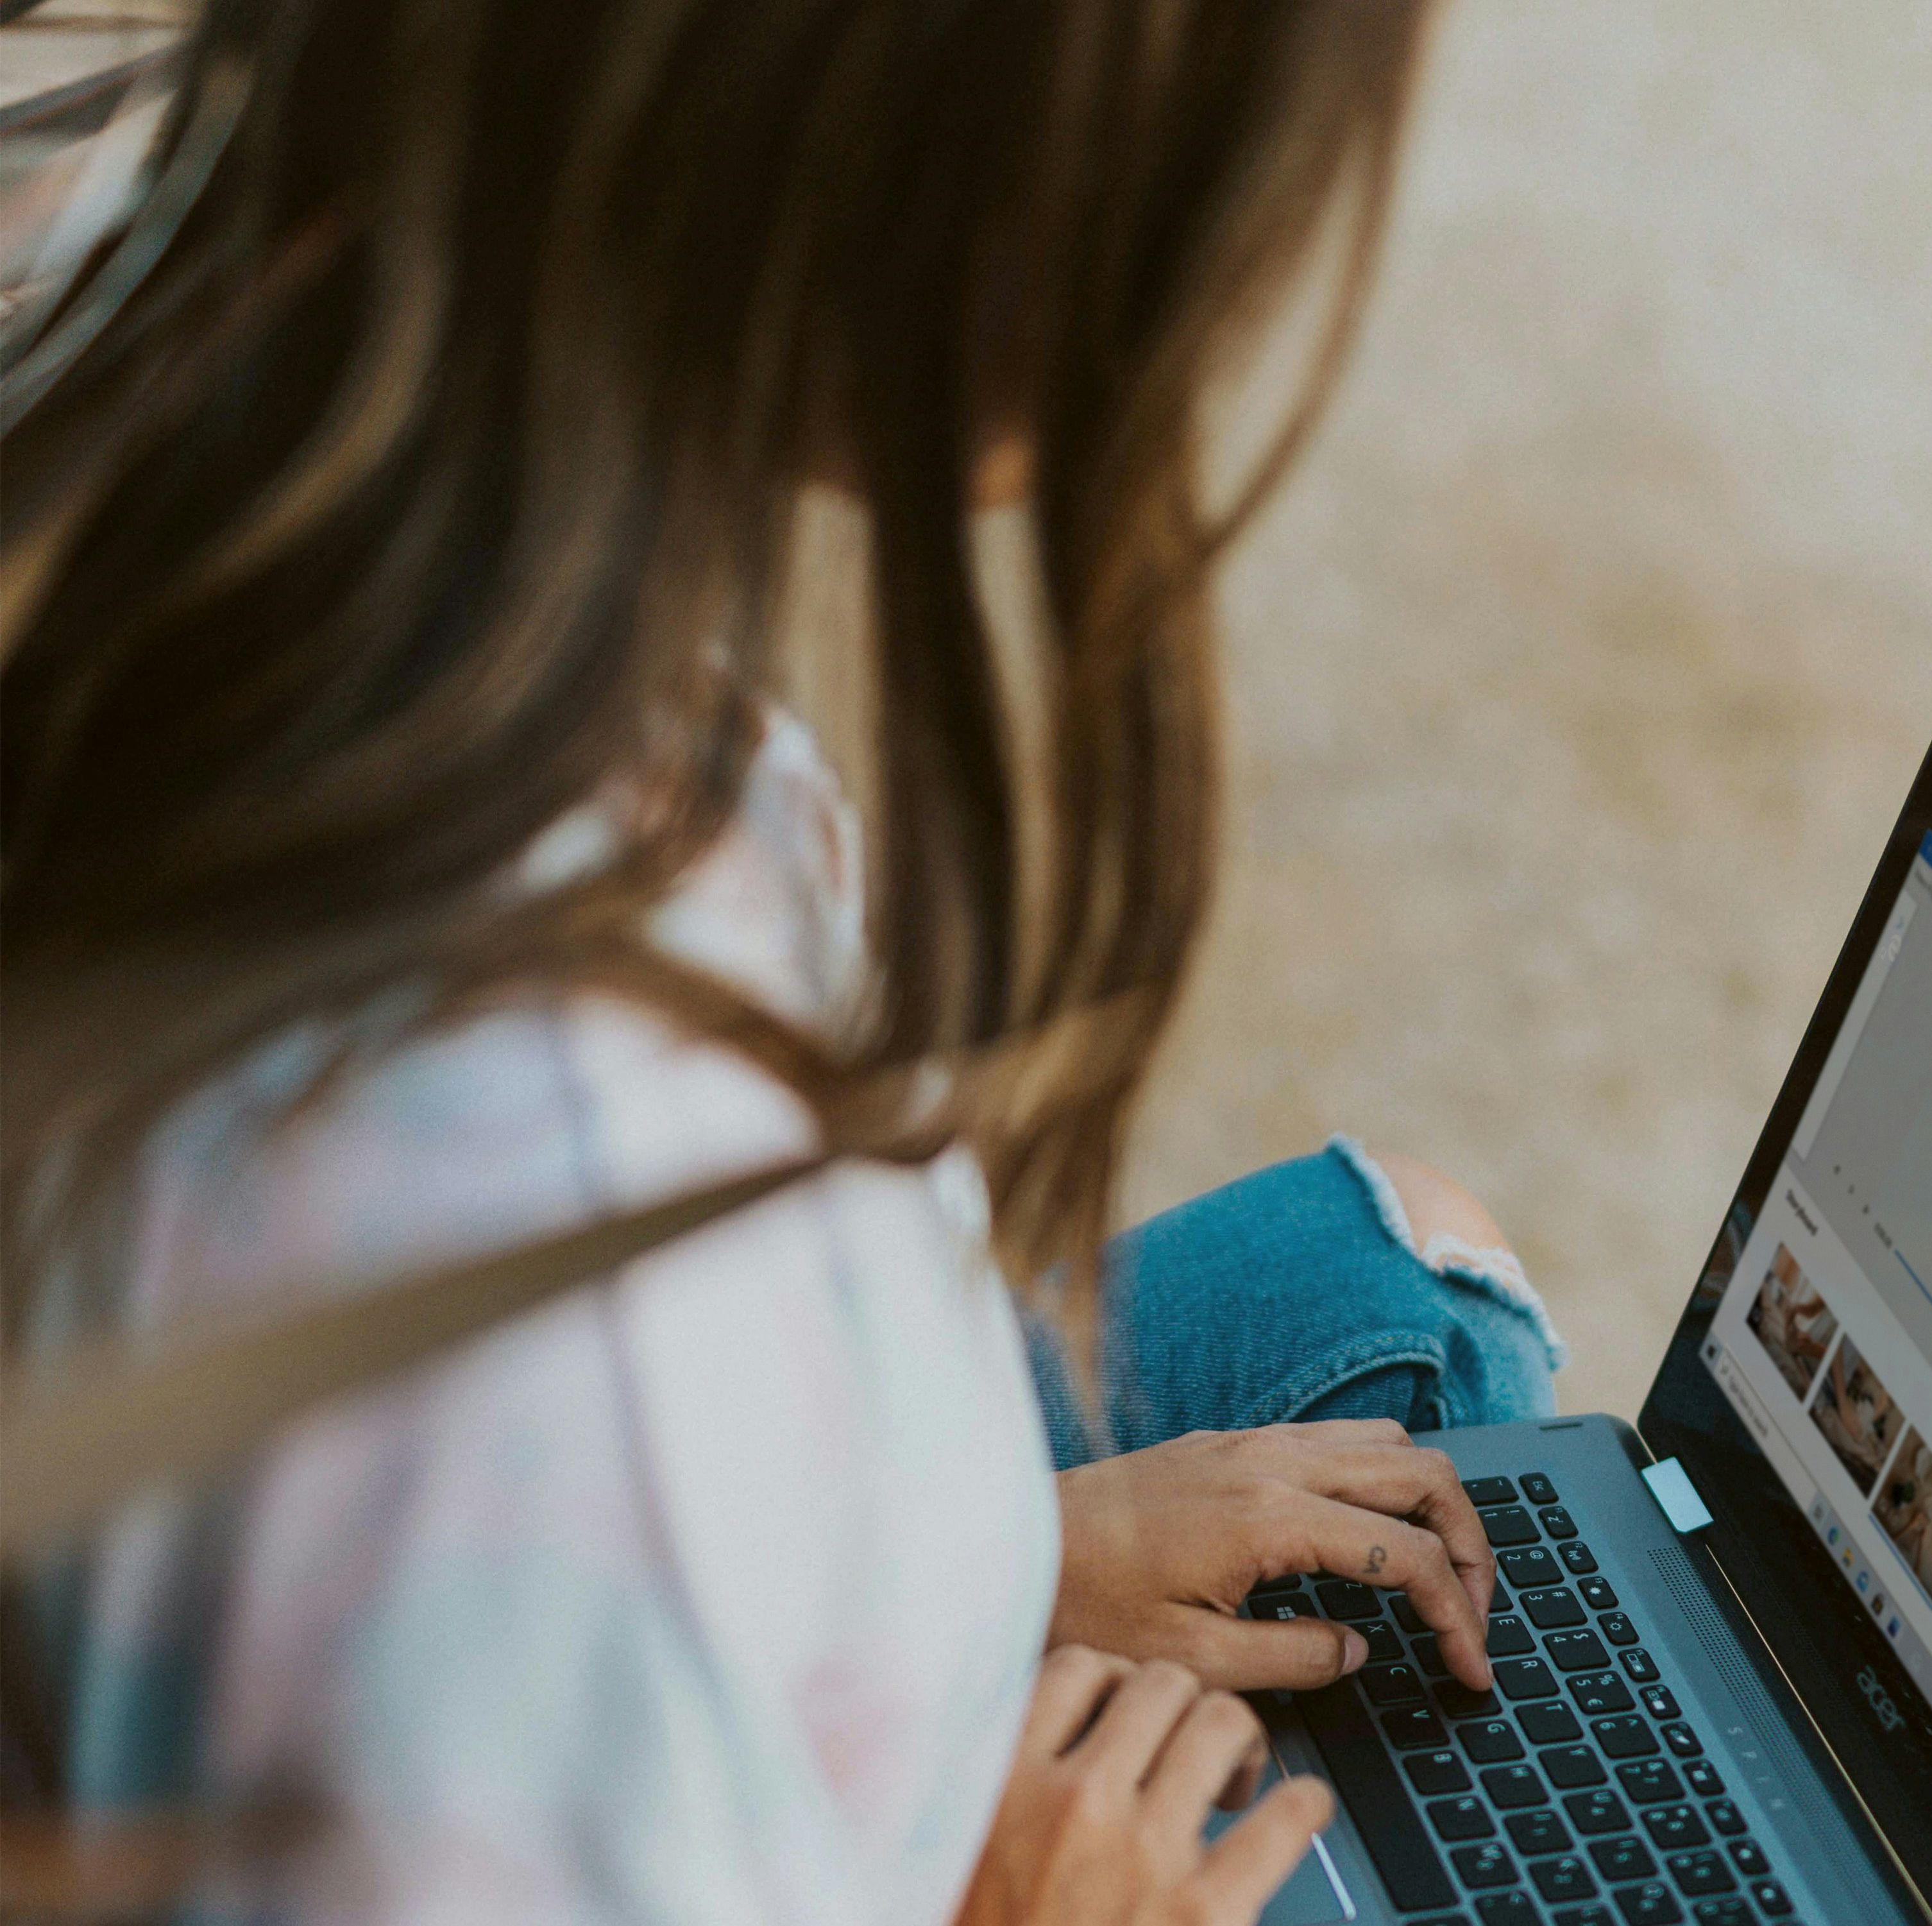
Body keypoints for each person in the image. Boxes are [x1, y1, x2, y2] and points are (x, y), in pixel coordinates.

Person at [0, 3, 1564, 1920]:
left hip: (713, 1619)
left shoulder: (167, 269)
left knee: (1398, 1273)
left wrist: (991, 1564)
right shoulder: (571, 1296)